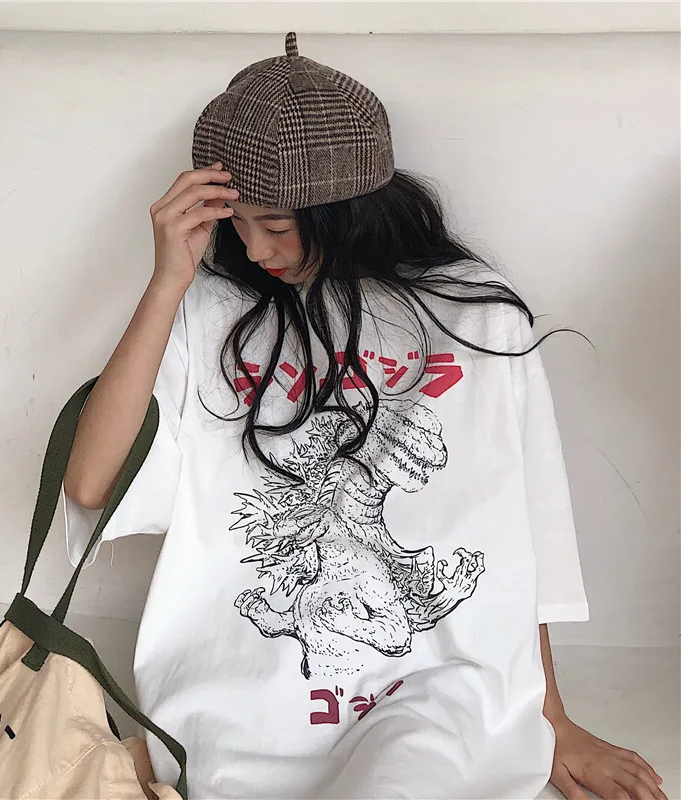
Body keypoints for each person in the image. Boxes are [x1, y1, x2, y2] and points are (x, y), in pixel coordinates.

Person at [64, 33, 665, 800]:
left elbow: (521, 530)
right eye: (236, 223)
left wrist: (552, 719)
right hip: (244, 693)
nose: (255, 250)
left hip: (435, 684)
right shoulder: (206, 314)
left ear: (348, 211)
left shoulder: (473, 315)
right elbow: (92, 484)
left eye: (277, 225)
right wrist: (165, 286)